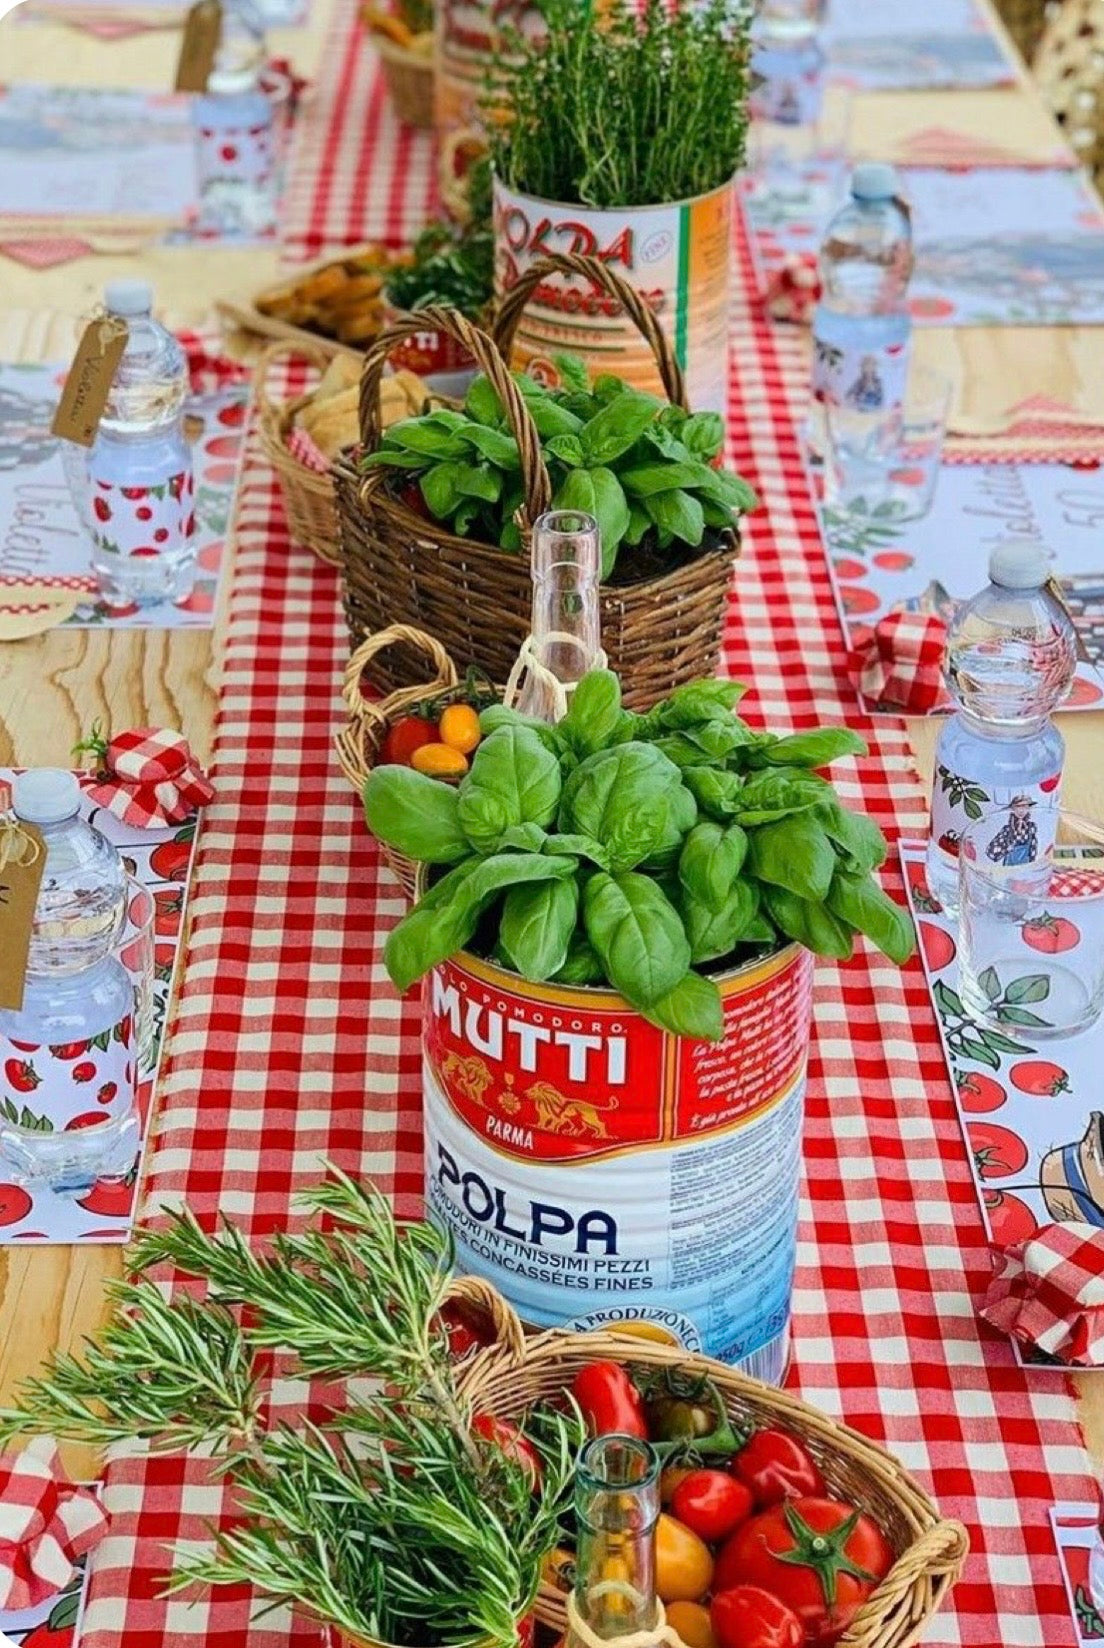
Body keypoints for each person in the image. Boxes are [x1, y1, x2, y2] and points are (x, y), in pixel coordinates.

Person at [985, 795, 1038, 867]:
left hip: (1025, 867)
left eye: (1025, 807)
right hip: (1009, 868)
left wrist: (1033, 866)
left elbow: (1033, 848)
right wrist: (1006, 849)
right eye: (1018, 807)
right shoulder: (1007, 830)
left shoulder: (1031, 828)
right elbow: (991, 851)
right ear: (1013, 809)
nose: (1021, 810)